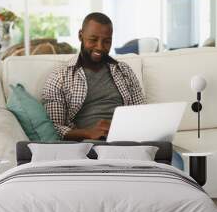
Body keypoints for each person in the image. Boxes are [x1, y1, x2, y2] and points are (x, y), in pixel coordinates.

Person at [42, 12, 146, 141]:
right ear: (81, 36)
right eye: (93, 40)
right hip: (89, 144)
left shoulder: (124, 71)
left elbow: (141, 114)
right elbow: (54, 127)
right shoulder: (60, 76)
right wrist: (88, 133)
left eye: (107, 41)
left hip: (126, 138)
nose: (100, 47)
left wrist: (121, 128)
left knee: (167, 151)